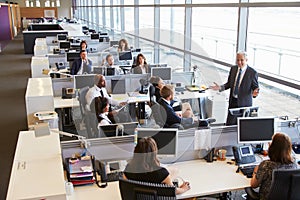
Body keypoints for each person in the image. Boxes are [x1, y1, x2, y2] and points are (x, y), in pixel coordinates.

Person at [123, 137, 190, 195]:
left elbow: (127, 189)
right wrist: (184, 189)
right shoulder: (162, 173)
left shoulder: (128, 168)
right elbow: (174, 191)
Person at [210, 51, 259, 125]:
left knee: (242, 127)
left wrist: (255, 93)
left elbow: (255, 87)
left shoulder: (252, 72)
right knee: (229, 125)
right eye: (238, 60)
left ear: (246, 60)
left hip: (244, 104)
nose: (239, 62)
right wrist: (220, 87)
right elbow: (229, 84)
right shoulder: (233, 69)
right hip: (233, 102)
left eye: (242, 60)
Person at [250, 133, 298, 200]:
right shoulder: (294, 164)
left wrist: (255, 171)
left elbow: (254, 185)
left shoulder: (266, 165)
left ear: (272, 148)